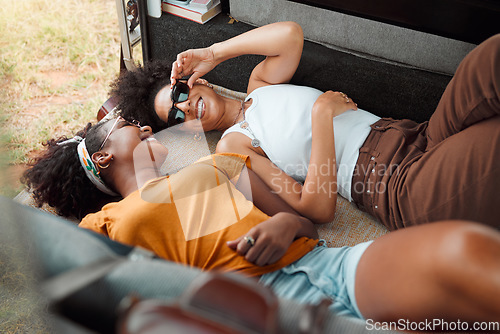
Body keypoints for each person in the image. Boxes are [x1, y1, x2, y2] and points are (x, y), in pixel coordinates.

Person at [23, 117, 500, 326]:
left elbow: (306, 225)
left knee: (462, 253)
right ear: (102, 155)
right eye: (130, 123)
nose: (145, 126)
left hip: (323, 265)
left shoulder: (212, 165)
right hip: (257, 311)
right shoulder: (106, 223)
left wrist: (282, 226)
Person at [111, 22, 500, 230]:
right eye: (175, 118)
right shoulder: (234, 148)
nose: (185, 109)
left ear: (195, 80)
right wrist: (321, 118)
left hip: (419, 135)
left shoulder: (260, 85)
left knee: (488, 60)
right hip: (394, 184)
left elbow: (290, 34)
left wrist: (213, 52)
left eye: (178, 94)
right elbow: (314, 209)